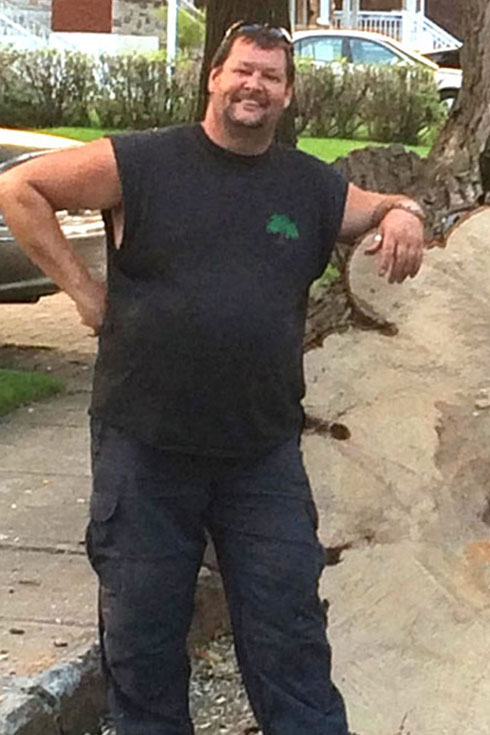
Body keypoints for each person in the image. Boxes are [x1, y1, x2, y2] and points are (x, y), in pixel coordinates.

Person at [0, 21, 428, 735]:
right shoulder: (143, 162)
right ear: (214, 77)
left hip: (260, 456)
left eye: (269, 75)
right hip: (146, 449)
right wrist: (82, 291)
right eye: (241, 71)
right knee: (142, 646)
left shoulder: (307, 184)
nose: (253, 84)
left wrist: (406, 211)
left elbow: (379, 206)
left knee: (290, 637)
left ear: (287, 94)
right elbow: (21, 189)